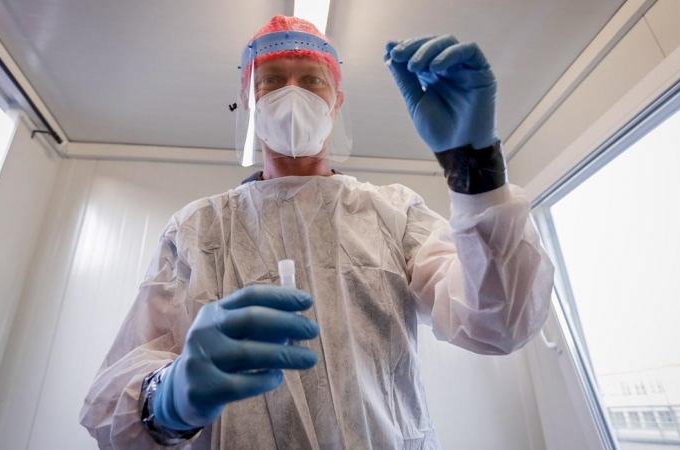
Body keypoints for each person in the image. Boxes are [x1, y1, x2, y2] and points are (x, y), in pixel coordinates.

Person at [80, 14, 554, 450]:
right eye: (271, 81)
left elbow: (499, 322)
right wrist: (168, 401)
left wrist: (477, 169)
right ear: (250, 100)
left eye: (311, 80)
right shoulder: (197, 228)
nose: (293, 94)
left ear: (335, 101)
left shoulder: (392, 212)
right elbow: (112, 405)